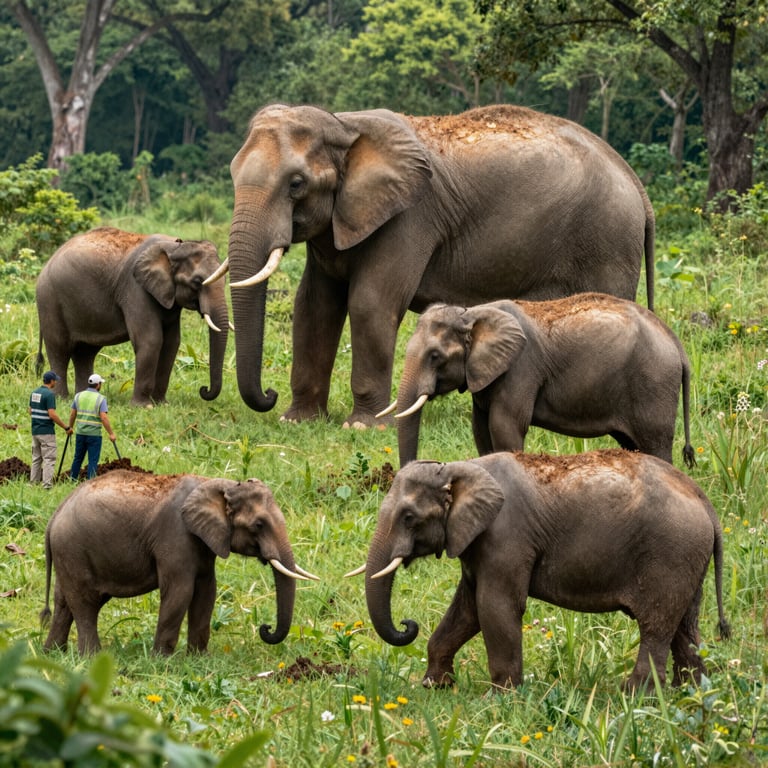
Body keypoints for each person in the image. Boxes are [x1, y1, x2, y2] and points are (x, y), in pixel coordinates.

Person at [68, 373, 117, 481]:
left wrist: (70, 427)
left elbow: (72, 414)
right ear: (98, 384)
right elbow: (104, 417)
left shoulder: (78, 396)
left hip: (80, 433)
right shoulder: (100, 399)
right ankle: (91, 482)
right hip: (94, 435)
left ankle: (72, 479)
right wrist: (111, 433)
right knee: (93, 461)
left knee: (78, 458)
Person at [29, 371, 72, 489]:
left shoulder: (34, 393)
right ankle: (47, 485)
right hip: (46, 432)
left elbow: (30, 411)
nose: (56, 382)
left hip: (35, 431)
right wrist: (66, 427)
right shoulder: (49, 395)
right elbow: (52, 414)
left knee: (36, 458)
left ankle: (33, 483)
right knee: (49, 458)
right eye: (55, 380)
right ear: (51, 381)